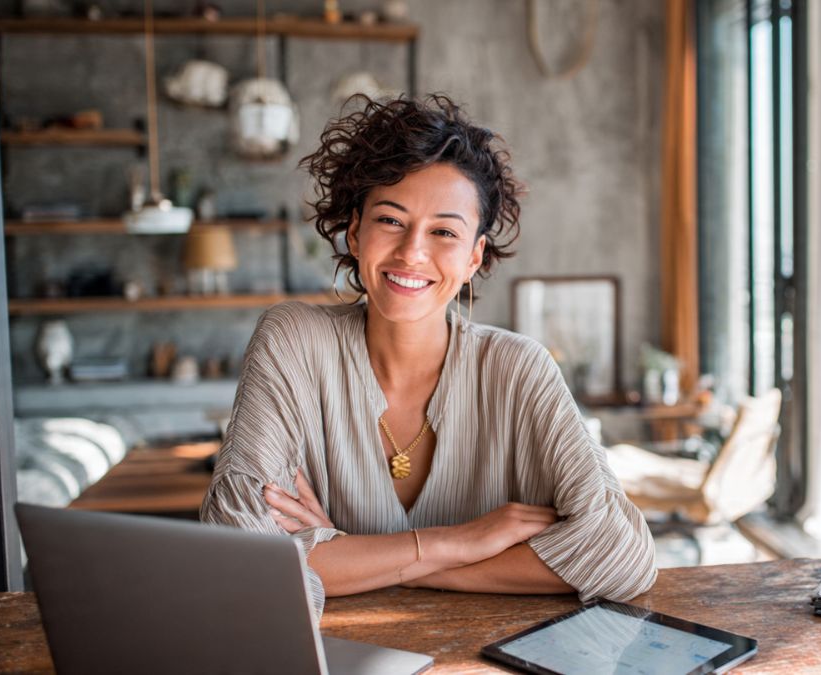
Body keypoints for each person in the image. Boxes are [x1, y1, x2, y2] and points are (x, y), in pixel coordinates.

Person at [200, 95, 657, 616]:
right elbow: (242, 556)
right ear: (356, 233)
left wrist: (351, 555)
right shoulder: (293, 340)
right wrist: (457, 542)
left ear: (474, 257)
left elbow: (622, 556)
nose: (412, 252)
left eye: (443, 232)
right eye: (391, 220)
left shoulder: (518, 368)